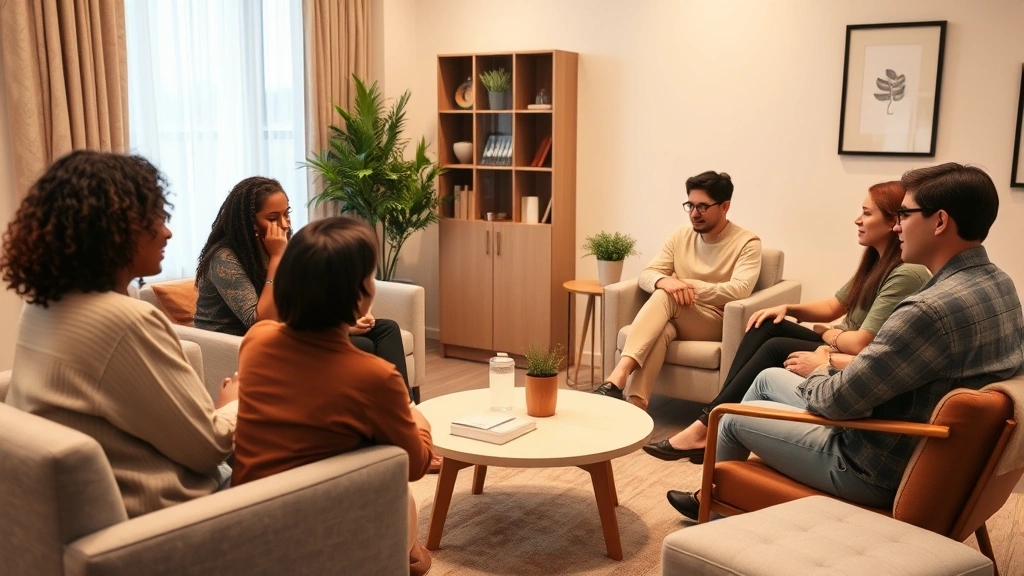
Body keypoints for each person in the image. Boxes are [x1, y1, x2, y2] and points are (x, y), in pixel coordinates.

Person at [666, 163, 1024, 520]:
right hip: (922, 438)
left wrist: (822, 363)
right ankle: (711, 494)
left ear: (940, 221)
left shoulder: (927, 309)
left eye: (904, 214)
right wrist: (834, 360)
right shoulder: (999, 285)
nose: (898, 225)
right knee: (765, 379)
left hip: (873, 462)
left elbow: (837, 402)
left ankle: (711, 513)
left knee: (728, 419)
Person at [1, 151, 238, 518]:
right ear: (114, 230)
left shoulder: (41, 306)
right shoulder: (127, 321)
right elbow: (211, 447)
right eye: (155, 219)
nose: (167, 231)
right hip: (170, 513)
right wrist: (234, 404)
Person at [644, 181, 930, 462]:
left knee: (774, 346)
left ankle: (706, 425)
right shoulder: (877, 261)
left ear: (894, 221)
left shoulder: (905, 273)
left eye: (867, 213)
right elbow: (834, 305)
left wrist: (826, 335)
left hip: (849, 352)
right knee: (766, 324)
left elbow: (861, 341)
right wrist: (788, 308)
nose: (858, 219)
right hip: (839, 341)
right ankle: (710, 422)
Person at [231, 216, 434, 575]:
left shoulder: (256, 341)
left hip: (247, 521)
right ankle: (407, 553)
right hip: (320, 530)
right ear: (361, 294)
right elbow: (417, 465)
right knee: (397, 480)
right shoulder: (375, 377)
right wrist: (412, 411)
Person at [193, 176, 412, 395]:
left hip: (283, 329)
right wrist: (278, 257)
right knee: (363, 347)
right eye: (273, 218)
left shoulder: (281, 244)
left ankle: (406, 409)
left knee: (385, 329)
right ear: (249, 223)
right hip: (239, 340)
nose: (285, 224)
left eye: (286, 213)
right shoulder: (224, 258)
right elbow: (261, 322)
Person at [594, 171, 762, 411]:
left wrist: (685, 285)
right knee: (663, 326)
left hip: (717, 321)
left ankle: (617, 376)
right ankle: (635, 405)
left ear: (725, 206)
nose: (694, 214)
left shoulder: (747, 242)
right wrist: (664, 280)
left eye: (703, 207)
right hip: (679, 315)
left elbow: (740, 289)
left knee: (666, 295)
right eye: (690, 205)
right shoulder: (680, 235)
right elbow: (648, 273)